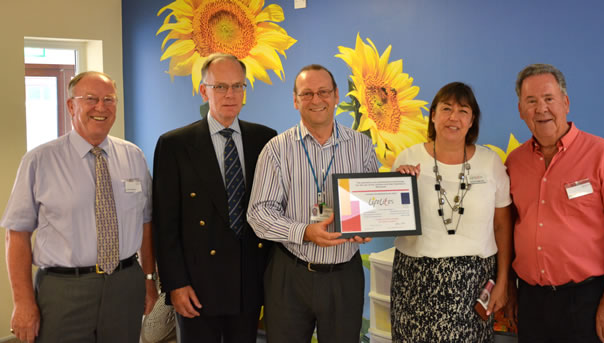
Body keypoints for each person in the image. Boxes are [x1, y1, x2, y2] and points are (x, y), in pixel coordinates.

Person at [2, 71, 157, 343]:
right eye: (91, 99)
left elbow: (145, 222)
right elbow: (17, 234)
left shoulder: (133, 156)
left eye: (109, 99)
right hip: (64, 289)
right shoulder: (40, 160)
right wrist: (23, 302)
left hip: (125, 285)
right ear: (71, 106)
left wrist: (148, 279)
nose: (101, 107)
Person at [506, 63, 604, 343]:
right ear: (520, 110)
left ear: (565, 103)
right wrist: (509, 287)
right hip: (531, 302)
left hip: (586, 302)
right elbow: (507, 228)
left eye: (548, 99)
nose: (540, 108)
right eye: (531, 101)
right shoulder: (514, 163)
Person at [247, 64, 377, 343]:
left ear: (336, 95)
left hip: (344, 275)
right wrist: (305, 232)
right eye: (307, 94)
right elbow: (259, 213)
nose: (316, 100)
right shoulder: (276, 150)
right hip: (291, 275)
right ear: (295, 100)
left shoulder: (361, 146)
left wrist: (368, 225)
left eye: (323, 92)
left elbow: (371, 202)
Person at [152, 53, 277, 342]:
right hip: (196, 285)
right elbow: (165, 224)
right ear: (203, 90)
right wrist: (176, 284)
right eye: (220, 86)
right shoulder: (175, 144)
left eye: (238, 86)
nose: (230, 94)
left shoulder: (265, 139)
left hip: (249, 281)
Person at [391, 82, 513, 342]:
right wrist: (397, 186)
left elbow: (502, 227)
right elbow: (390, 217)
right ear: (433, 115)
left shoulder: (490, 162)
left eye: (463, 111)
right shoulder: (407, 159)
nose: (453, 117)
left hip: (474, 282)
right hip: (415, 281)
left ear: (472, 121)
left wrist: (503, 280)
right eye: (446, 109)